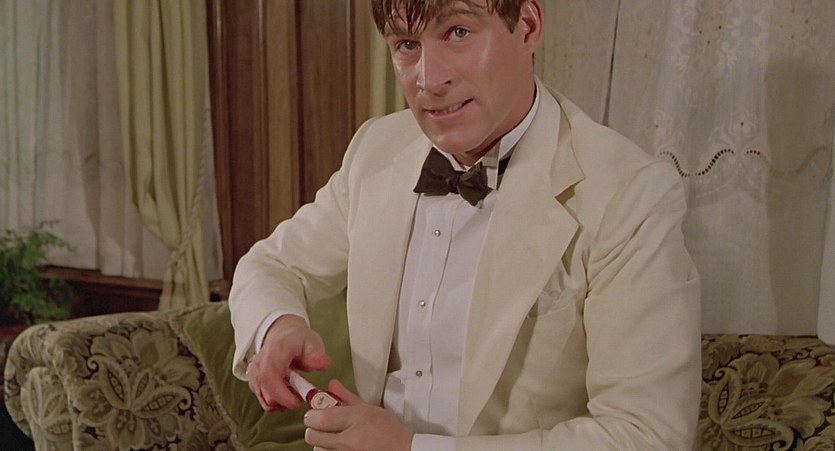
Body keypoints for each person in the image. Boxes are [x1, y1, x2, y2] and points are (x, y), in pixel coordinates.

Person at [229, 0, 702, 449]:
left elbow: (645, 435)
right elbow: (270, 264)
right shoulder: (377, 149)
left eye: (458, 33)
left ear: (528, 26)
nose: (429, 80)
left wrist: (412, 449)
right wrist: (277, 325)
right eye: (407, 45)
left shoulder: (628, 193)